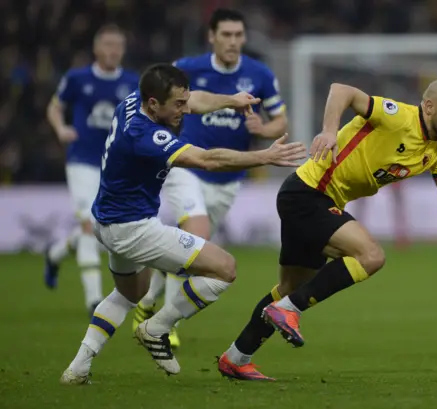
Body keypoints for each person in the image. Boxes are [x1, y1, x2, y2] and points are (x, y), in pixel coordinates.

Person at [216, 79, 437, 381]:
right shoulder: (397, 116)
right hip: (308, 194)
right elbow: (340, 90)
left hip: (315, 201)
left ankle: (237, 357)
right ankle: (289, 310)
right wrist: (329, 132)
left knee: (289, 289)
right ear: (429, 106)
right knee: (371, 255)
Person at [59, 63, 306, 385]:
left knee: (129, 294)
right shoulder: (145, 135)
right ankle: (157, 328)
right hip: (132, 229)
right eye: (177, 105)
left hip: (107, 222)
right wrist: (264, 157)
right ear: (153, 104)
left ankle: (77, 369)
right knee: (224, 269)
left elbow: (195, 100)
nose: (184, 110)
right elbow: (207, 160)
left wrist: (230, 100)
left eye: (182, 101)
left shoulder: (137, 100)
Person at [132, 8, 288, 349]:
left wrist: (263, 129)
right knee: (195, 237)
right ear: (212, 37)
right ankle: (164, 327)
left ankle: (146, 304)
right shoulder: (187, 68)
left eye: (238, 35)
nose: (233, 42)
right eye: (226, 35)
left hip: (229, 177)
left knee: (189, 249)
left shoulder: (259, 73)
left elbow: (280, 121)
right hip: (187, 165)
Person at [44, 24, 139, 315]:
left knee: (99, 227)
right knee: (89, 224)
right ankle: (94, 300)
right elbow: (54, 106)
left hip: (114, 165)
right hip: (82, 160)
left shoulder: (133, 81)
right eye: (107, 44)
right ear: (97, 48)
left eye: (117, 45)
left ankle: (56, 252)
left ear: (123, 49)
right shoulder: (77, 78)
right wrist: (60, 129)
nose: (112, 50)